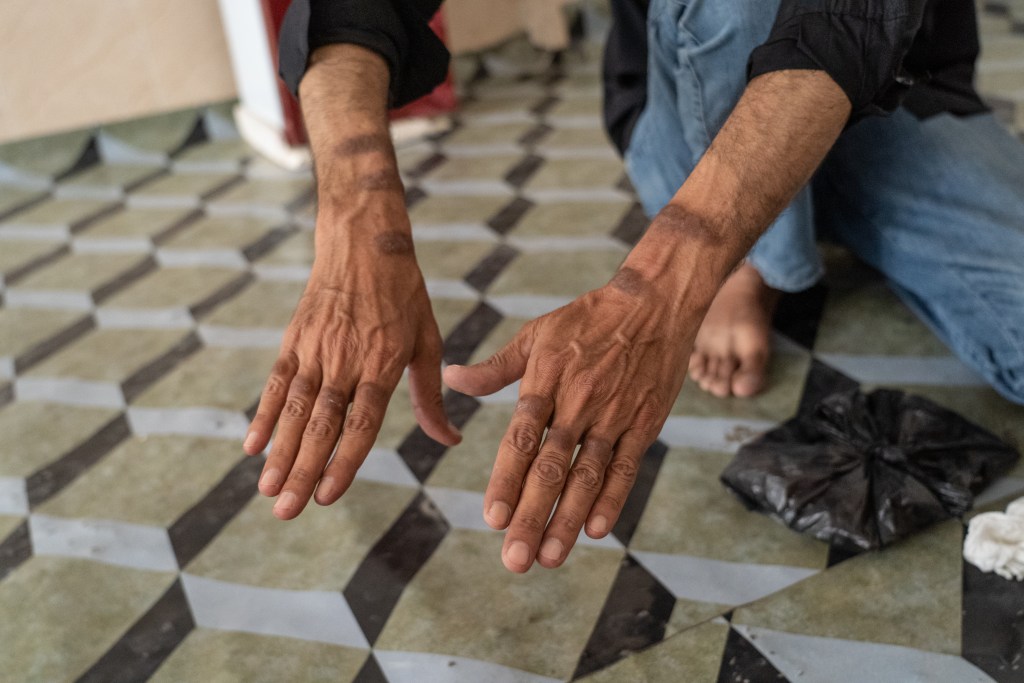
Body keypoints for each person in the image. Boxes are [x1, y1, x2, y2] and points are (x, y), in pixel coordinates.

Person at [241, 0, 1024, 574]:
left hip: (893, 88)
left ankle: (762, 229)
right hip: (696, 102)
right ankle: (747, 264)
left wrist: (661, 280)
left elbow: (855, 19)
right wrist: (359, 217)